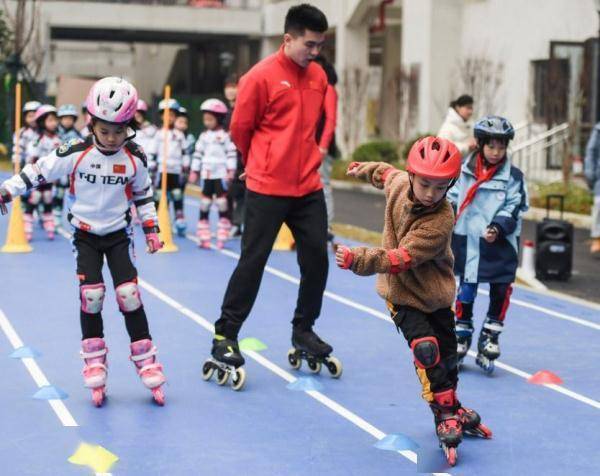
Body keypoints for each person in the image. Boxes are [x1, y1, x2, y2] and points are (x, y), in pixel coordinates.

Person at [0, 77, 167, 407]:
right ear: (92, 122)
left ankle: (146, 359)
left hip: (119, 235)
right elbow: (38, 171)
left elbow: (144, 195)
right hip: (86, 235)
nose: (112, 138)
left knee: (128, 295)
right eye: (105, 131)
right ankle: (94, 359)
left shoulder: (135, 157)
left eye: (120, 131)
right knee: (92, 296)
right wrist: (7, 190)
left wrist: (151, 229)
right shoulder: (76, 152)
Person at [335, 137, 491, 467]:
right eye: (424, 184)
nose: (431, 193)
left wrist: (358, 259)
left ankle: (452, 401)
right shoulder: (398, 184)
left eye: (440, 186)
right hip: (403, 296)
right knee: (426, 350)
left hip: (435, 295)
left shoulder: (440, 219)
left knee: (448, 355)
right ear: (411, 175)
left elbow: (400, 258)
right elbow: (385, 174)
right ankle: (445, 412)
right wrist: (364, 169)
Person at [205, 4, 337, 382]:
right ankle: (224, 335)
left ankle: (303, 329)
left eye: (320, 46)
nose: (315, 53)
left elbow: (316, 124)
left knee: (316, 259)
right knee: (253, 260)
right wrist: (260, 162)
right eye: (309, 45)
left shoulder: (318, 78)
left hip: (307, 186)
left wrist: (311, 157)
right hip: (266, 184)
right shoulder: (259, 77)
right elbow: (240, 129)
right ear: (288, 38)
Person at [447, 116, 528, 374]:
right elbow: (449, 196)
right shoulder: (463, 171)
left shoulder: (513, 177)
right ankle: (461, 333)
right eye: (491, 146)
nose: (496, 152)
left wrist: (498, 227)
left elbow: (515, 204)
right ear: (480, 145)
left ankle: (490, 334)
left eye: (501, 147)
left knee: (501, 289)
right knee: (466, 289)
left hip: (499, 243)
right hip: (469, 241)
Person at [188, 99, 237, 249]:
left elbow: (231, 154)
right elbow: (197, 154)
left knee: (222, 202)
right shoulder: (203, 137)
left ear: (220, 119)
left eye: (210, 119)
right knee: (205, 203)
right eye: (205, 119)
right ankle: (204, 234)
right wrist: (194, 171)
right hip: (206, 174)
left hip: (221, 173)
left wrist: (231, 170)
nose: (207, 122)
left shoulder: (225, 136)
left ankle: (223, 231)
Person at [147, 98, 190, 237]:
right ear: (161, 116)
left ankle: (179, 219)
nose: (169, 118)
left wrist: (185, 165)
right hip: (161, 170)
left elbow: (185, 152)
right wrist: (152, 165)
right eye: (166, 115)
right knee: (159, 195)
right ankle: (155, 220)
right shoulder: (159, 134)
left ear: (176, 116)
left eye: (172, 115)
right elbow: (152, 152)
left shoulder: (179, 135)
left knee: (177, 194)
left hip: (175, 170)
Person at [26, 105, 62, 240]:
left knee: (47, 197)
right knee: (34, 198)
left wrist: (57, 175)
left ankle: (49, 225)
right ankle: (27, 226)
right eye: (50, 120)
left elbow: (59, 161)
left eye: (55, 120)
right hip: (37, 176)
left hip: (50, 177)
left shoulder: (57, 139)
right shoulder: (37, 140)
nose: (54, 123)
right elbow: (32, 159)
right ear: (42, 122)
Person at [313, 54, 338, 248]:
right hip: (307, 146)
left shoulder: (328, 89)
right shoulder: (312, 88)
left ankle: (326, 227)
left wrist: (323, 146)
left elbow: (330, 120)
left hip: (321, 148)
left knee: (323, 185)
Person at [223, 75, 246, 238]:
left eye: (234, 86)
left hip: (241, 157)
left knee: (240, 191)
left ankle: (237, 223)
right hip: (224, 158)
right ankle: (231, 222)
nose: (231, 90)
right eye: (228, 87)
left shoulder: (243, 108)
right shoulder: (223, 111)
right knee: (227, 192)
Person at [55, 104, 83, 224]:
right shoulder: (54, 133)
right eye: (65, 118)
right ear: (60, 119)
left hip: (70, 168)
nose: (67, 121)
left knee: (72, 193)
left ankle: (72, 216)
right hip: (57, 166)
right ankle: (52, 215)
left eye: (70, 118)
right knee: (53, 193)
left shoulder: (77, 135)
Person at [584, 122, 600, 256]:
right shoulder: (598, 129)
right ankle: (597, 238)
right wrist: (591, 174)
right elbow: (591, 152)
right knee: (599, 206)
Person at [12, 101, 41, 171]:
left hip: (44, 167)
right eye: (30, 116)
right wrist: (17, 166)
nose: (33, 119)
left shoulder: (45, 132)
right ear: (25, 118)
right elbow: (17, 152)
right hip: (27, 168)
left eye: (35, 116)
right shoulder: (21, 133)